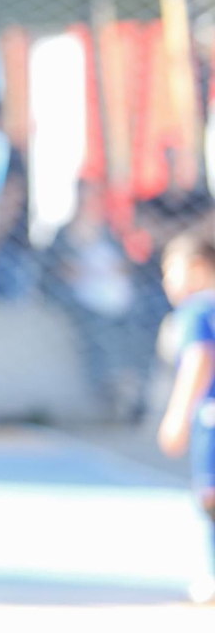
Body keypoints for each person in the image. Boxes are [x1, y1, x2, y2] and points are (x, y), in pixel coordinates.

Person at [44, 182, 158, 422]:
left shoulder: (109, 233)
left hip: (117, 295)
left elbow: (127, 265)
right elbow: (58, 269)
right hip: (86, 298)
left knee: (140, 323)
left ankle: (135, 384)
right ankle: (112, 386)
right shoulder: (64, 234)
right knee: (99, 330)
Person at [156, 232, 215, 604]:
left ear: (198, 267)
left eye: (170, 270)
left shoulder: (196, 310)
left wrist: (177, 414)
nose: (166, 282)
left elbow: (199, 359)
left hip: (211, 419)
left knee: (209, 497)